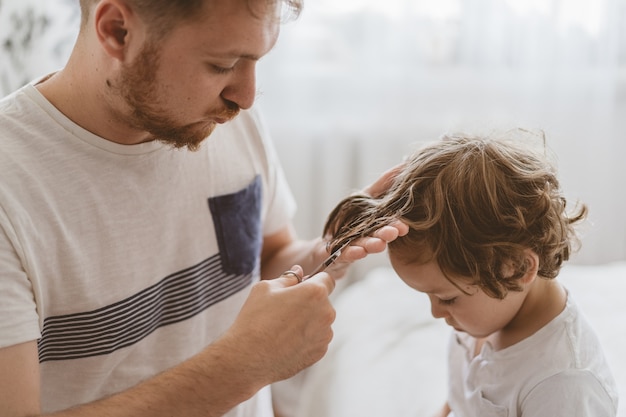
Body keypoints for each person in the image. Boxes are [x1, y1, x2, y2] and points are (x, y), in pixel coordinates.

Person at [0, 0, 408, 416]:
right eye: (222, 64)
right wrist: (241, 368)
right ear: (118, 31)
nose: (246, 97)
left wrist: (325, 253)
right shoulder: (11, 188)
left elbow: (264, 259)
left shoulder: (222, 118)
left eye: (256, 60)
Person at [323, 132, 619, 416]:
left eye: (447, 298)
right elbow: (466, 396)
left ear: (517, 269)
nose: (436, 313)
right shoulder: (488, 314)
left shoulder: (563, 385)